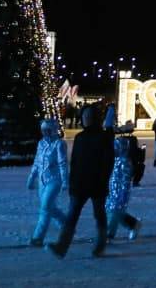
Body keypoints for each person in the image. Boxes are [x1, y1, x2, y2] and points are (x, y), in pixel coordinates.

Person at [49, 105, 115, 259]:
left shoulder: (104, 137)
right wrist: (72, 183)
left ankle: (99, 246)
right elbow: (75, 162)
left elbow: (108, 162)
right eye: (85, 116)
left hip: (95, 184)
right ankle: (62, 246)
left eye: (89, 117)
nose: (86, 119)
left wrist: (103, 181)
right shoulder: (80, 137)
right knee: (73, 215)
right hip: (80, 184)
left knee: (98, 214)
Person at [26, 118, 69, 246]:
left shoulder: (59, 144)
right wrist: (32, 177)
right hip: (42, 181)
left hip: (54, 181)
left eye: (47, 130)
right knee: (50, 207)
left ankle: (38, 237)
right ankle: (67, 225)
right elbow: (37, 162)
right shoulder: (41, 144)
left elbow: (63, 163)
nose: (45, 133)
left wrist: (65, 180)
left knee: (45, 208)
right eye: (43, 130)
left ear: (53, 130)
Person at [106, 123, 142, 242]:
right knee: (113, 212)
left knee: (114, 213)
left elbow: (126, 180)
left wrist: (122, 194)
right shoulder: (115, 160)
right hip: (112, 190)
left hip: (120, 192)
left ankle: (109, 234)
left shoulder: (125, 162)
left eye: (116, 148)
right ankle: (133, 224)